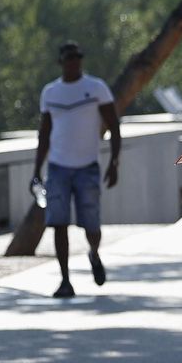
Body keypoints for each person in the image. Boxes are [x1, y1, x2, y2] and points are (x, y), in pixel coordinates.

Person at [33, 41, 121, 299]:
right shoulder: (50, 93)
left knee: (91, 225)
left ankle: (93, 253)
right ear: (61, 62)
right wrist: (37, 169)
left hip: (87, 167)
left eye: (78, 57)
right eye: (69, 58)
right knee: (58, 223)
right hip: (58, 167)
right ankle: (65, 280)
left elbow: (114, 126)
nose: (74, 62)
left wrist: (114, 162)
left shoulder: (96, 88)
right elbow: (44, 133)